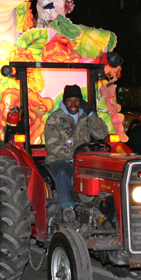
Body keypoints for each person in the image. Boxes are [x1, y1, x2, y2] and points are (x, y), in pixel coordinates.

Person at [44, 85, 108, 224]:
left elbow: (102, 134)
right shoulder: (55, 118)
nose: (73, 104)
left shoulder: (86, 117)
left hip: (83, 162)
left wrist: (91, 114)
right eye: (69, 100)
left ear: (81, 101)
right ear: (65, 101)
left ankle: (102, 207)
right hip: (60, 160)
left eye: (76, 100)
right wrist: (73, 155)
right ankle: (67, 207)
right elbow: (52, 145)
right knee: (62, 172)